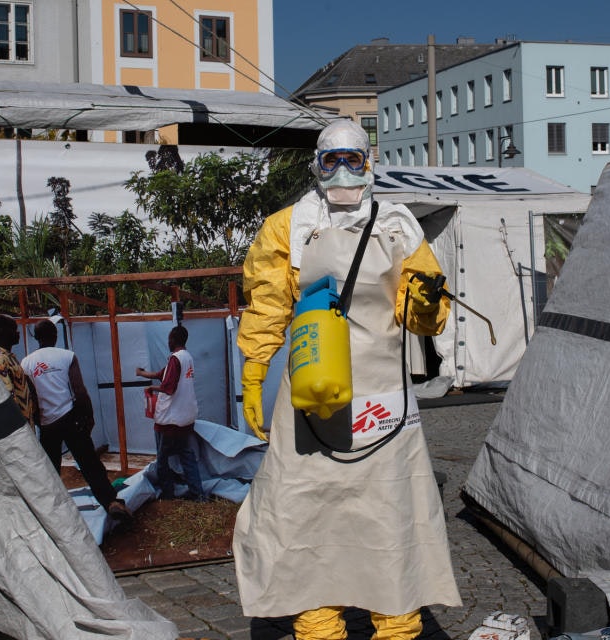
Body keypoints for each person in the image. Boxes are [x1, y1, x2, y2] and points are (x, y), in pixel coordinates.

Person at [232, 119, 461, 640]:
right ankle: (317, 624)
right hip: (312, 395)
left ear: (368, 164)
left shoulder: (399, 225)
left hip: (382, 398)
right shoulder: (285, 226)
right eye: (331, 159)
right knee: (304, 514)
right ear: (316, 163)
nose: (341, 171)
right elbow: (267, 303)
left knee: (390, 515)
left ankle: (398, 622)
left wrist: (427, 303)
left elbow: (422, 313)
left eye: (351, 160)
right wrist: (254, 368)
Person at [21, 318, 132, 523]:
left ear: (36, 338)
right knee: (90, 465)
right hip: (71, 419)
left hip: (47, 424)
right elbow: (79, 391)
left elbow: (31, 397)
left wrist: (39, 421)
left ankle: (51, 516)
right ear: (55, 335)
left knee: (51, 470)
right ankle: (111, 503)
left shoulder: (26, 363)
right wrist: (88, 417)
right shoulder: (66, 356)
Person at [135, 325, 207, 501]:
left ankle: (168, 496)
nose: (168, 341)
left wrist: (153, 386)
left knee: (163, 459)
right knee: (187, 456)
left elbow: (168, 387)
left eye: (169, 338)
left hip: (169, 419)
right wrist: (143, 374)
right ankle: (198, 494)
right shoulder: (187, 358)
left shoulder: (175, 359)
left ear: (173, 340)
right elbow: (163, 374)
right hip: (186, 417)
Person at [0, 313, 39, 427]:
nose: (17, 332)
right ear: (2, 331)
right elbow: (7, 399)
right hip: (17, 429)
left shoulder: (7, 356)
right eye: (14, 329)